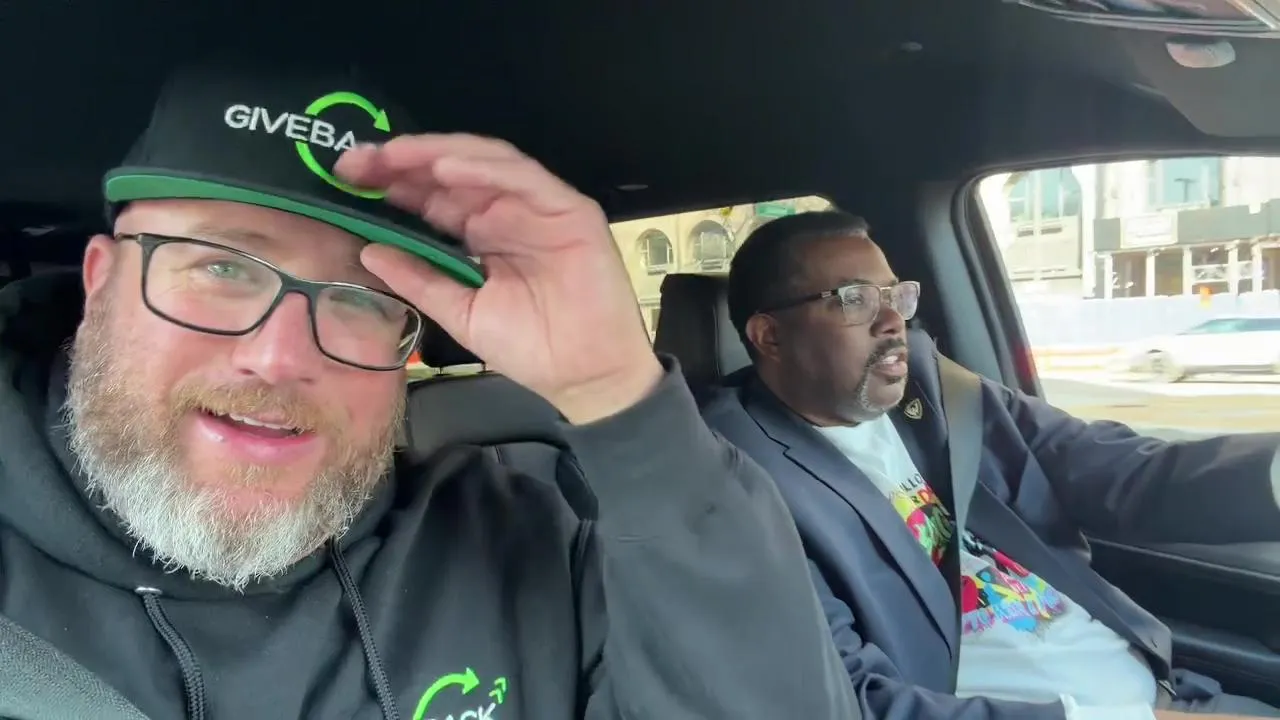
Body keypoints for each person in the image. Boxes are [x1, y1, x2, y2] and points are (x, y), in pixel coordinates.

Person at [0, 60, 859, 720]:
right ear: (100, 282)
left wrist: (619, 397)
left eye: (360, 298)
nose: (279, 356)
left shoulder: (517, 544)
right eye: (223, 267)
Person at [700, 210, 1280, 720]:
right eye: (854, 300)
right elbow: (856, 701)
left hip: (1164, 690)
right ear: (770, 336)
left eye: (896, 295)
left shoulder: (940, 391)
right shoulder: (732, 478)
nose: (892, 321)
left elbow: (1122, 473)